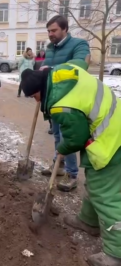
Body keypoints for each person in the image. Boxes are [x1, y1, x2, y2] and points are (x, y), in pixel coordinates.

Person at [21, 60, 121, 266]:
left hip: (112, 139)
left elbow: (76, 138)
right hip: (114, 123)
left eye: (34, 96)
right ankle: (89, 221)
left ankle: (115, 253)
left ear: (40, 89)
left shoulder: (61, 105)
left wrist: (63, 148)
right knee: (95, 182)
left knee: (105, 193)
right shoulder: (62, 72)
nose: (35, 100)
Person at [40, 15, 90, 192]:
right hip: (54, 99)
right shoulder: (50, 48)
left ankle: (72, 174)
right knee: (56, 135)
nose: (50, 34)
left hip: (72, 99)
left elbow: (81, 64)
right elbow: (45, 69)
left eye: (53, 30)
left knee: (66, 137)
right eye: (48, 31)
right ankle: (59, 166)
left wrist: (54, 70)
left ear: (65, 29)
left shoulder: (79, 45)